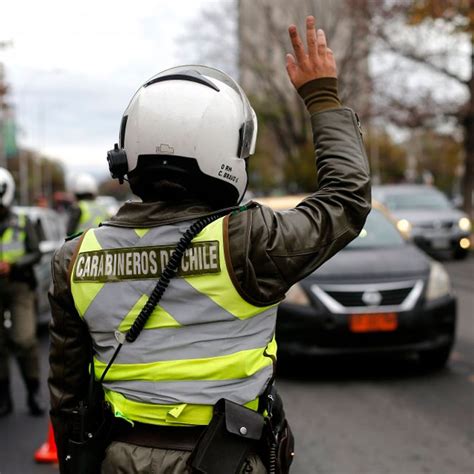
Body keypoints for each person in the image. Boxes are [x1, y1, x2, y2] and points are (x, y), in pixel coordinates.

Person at [48, 16, 371, 473]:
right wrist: (322, 96)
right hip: (228, 458)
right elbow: (347, 200)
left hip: (119, 458)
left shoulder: (74, 258)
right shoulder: (251, 241)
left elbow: (67, 393)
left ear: (127, 150)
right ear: (228, 150)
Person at [0, 167, 44, 417]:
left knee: (24, 339)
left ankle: (33, 392)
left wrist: (14, 265)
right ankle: (4, 398)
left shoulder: (24, 221)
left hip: (19, 286)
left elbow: (36, 252)